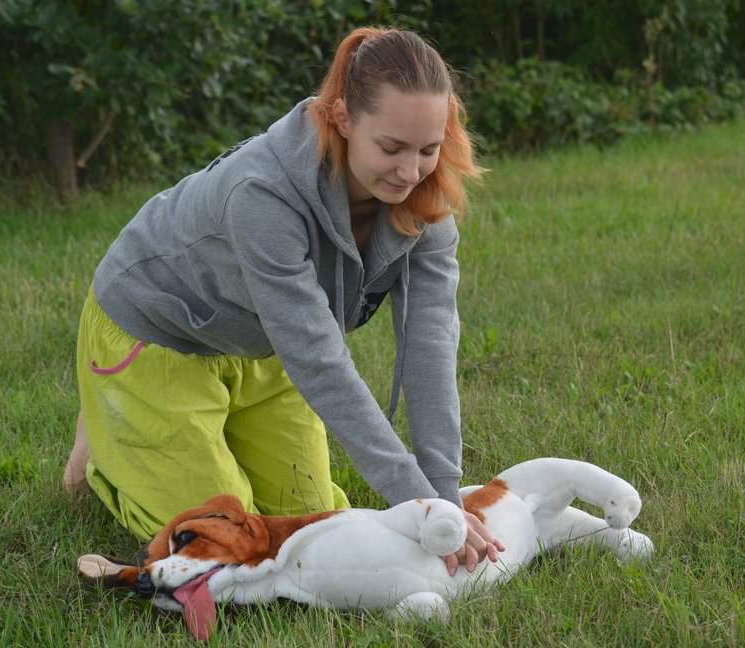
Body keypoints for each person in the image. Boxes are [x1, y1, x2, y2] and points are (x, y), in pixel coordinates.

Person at [63, 26, 503, 575]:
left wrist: (443, 501)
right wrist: (406, 495)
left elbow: (430, 348)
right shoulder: (263, 195)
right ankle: (106, 447)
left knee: (316, 532)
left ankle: (146, 430)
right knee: (224, 543)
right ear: (342, 118)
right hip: (157, 335)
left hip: (264, 351)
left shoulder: (425, 199)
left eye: (428, 150)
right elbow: (319, 360)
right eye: (391, 148)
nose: (411, 171)